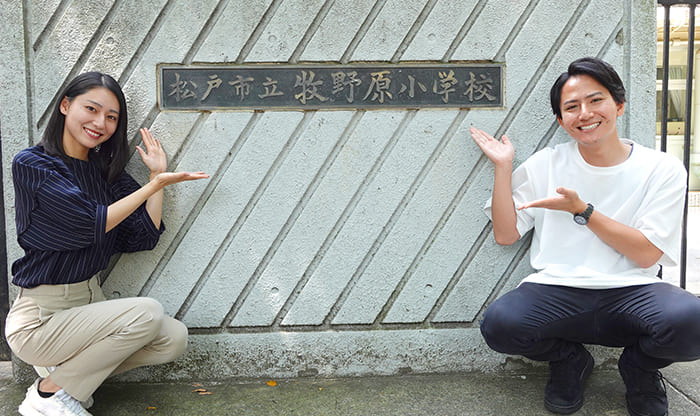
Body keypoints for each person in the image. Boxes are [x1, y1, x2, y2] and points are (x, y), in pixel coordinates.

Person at [471, 57, 700, 416]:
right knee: (500, 325)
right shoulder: (547, 163)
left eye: (596, 100)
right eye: (572, 107)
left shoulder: (661, 168)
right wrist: (503, 167)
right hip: (556, 289)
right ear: (561, 121)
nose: (585, 114)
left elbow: (646, 255)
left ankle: (639, 368)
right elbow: (505, 233)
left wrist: (583, 211)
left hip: (634, 289)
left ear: (619, 104)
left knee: (693, 321)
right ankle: (569, 361)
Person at [4, 72, 209, 416]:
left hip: (88, 307)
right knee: (147, 312)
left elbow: (142, 236)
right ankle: (48, 394)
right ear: (65, 106)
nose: (100, 123)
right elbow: (89, 223)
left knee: (172, 338)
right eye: (92, 109)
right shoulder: (33, 164)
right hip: (41, 318)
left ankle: (64, 379)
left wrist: (155, 180)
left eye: (112, 117)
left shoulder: (103, 170)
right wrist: (153, 186)